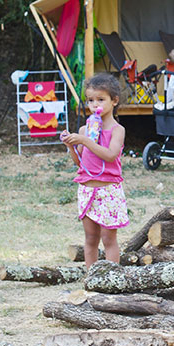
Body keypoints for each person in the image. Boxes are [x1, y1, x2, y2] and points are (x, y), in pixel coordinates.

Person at [62, 73, 129, 267]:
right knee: (91, 239)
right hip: (86, 190)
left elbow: (110, 155)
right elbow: (81, 163)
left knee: (108, 239)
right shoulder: (85, 130)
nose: (95, 105)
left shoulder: (117, 130)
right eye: (91, 100)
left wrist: (85, 141)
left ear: (114, 101)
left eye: (101, 99)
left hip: (108, 191)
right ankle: (91, 277)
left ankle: (110, 277)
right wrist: (71, 145)